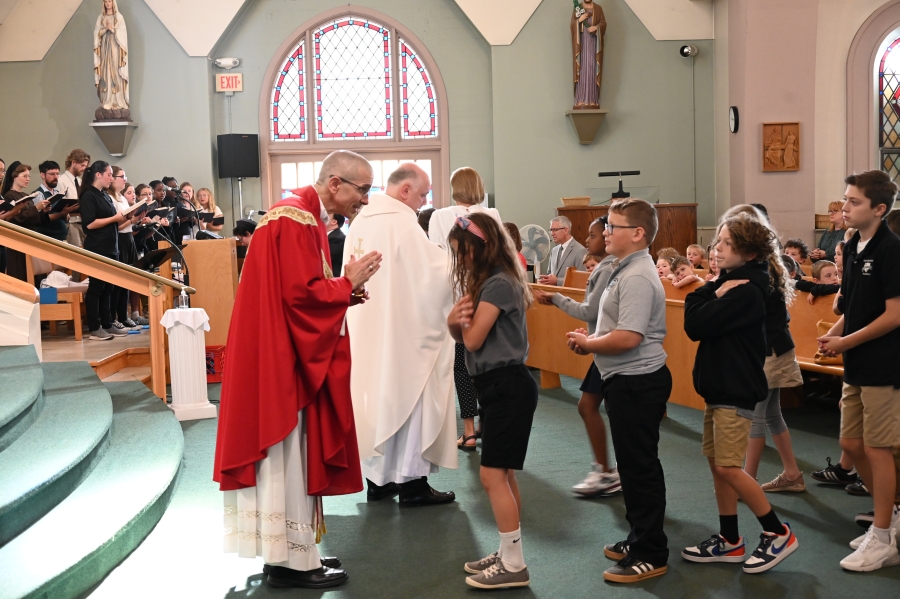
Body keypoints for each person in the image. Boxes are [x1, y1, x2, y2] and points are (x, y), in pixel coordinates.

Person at [214, 149, 382, 590]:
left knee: (287, 458)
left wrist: (343, 293)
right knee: (286, 453)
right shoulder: (296, 219)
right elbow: (300, 296)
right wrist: (347, 284)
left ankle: (285, 553)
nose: (364, 200)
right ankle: (292, 562)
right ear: (334, 183)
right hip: (283, 366)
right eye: (361, 189)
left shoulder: (298, 215)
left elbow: (302, 292)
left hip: (278, 354)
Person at [682, 211, 799, 574]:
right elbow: (701, 307)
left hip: (735, 389)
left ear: (748, 253)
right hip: (719, 386)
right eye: (717, 241)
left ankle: (777, 532)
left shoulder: (748, 289)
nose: (716, 248)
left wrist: (710, 290)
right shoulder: (732, 280)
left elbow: (694, 323)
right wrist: (715, 287)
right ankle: (730, 540)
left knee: (730, 468)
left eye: (725, 243)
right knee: (718, 466)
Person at [566, 199, 672, 583]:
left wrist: (591, 344)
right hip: (624, 379)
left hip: (638, 380)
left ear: (638, 234)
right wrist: (591, 337)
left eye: (613, 226)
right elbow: (611, 323)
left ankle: (651, 552)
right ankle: (639, 535)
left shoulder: (638, 275)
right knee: (631, 465)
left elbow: (628, 337)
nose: (606, 232)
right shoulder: (622, 268)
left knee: (639, 468)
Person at [344, 163, 457, 506]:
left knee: (377, 399)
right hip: (405, 332)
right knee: (412, 397)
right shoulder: (402, 222)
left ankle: (378, 481)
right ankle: (412, 483)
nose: (423, 203)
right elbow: (434, 274)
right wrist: (457, 260)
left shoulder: (361, 220)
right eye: (423, 194)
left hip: (367, 327)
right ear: (405, 190)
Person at [446, 212, 537, 590]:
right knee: (503, 473)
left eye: (463, 252)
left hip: (507, 386)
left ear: (481, 247)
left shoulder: (499, 283)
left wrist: (458, 322)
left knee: (491, 475)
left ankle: (514, 563)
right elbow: (460, 334)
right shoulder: (490, 281)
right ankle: (508, 551)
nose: (461, 260)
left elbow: (471, 340)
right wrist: (455, 321)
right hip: (497, 386)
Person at [818, 170, 900, 571]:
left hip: (885, 364)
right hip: (856, 361)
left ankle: (883, 537)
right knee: (851, 445)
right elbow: (850, 306)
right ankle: (894, 513)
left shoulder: (891, 249)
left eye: (853, 202)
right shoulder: (851, 245)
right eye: (845, 199)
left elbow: (895, 315)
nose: (844, 207)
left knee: (878, 448)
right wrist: (833, 334)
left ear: (879, 209)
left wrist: (845, 342)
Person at [722, 207, 805, 496]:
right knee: (771, 413)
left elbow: (766, 318)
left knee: (756, 415)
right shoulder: (767, 264)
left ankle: (748, 482)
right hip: (775, 346)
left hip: (768, 349)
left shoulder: (760, 271)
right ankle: (792, 474)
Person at [534, 217, 619, 497]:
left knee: (592, 407)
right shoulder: (607, 267)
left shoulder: (608, 268)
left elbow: (589, 311)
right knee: (588, 406)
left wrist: (556, 298)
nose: (589, 240)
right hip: (603, 345)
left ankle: (607, 471)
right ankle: (605, 469)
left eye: (594, 235)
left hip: (613, 350)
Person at [428, 167, 501, 450]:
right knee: (486, 361)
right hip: (487, 295)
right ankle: (487, 422)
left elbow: (436, 258)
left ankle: (469, 431)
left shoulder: (439, 216)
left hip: (456, 296)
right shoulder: (491, 215)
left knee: (461, 366)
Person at [80, 161, 130, 341]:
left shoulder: (105, 195)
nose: (111, 178)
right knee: (97, 287)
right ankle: (95, 327)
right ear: (98, 175)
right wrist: (115, 218)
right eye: (109, 174)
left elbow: (114, 222)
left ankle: (108, 323)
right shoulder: (88, 196)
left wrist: (130, 218)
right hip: (98, 247)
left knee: (109, 287)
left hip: (111, 246)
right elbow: (89, 224)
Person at [1, 163, 50, 281]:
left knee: (36, 275)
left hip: (30, 238)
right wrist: (36, 208)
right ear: (14, 177)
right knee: (21, 274)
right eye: (24, 176)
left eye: (29, 176)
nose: (28, 179)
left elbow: (33, 219)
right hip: (18, 241)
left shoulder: (25, 195)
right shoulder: (9, 196)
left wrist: (43, 212)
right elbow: (15, 220)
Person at [108, 169, 141, 330]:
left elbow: (128, 221)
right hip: (119, 239)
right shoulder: (110, 198)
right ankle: (115, 316)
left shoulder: (121, 197)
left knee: (128, 280)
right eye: (122, 177)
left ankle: (124, 315)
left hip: (129, 239)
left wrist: (136, 219)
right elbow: (117, 225)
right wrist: (132, 219)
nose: (125, 179)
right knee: (119, 281)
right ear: (112, 178)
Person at [33, 160, 74, 241]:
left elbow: (66, 219)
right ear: (42, 175)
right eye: (52, 174)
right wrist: (62, 213)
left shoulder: (58, 193)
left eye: (57, 174)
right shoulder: (38, 194)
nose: (56, 177)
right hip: (47, 238)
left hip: (61, 237)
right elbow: (40, 219)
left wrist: (66, 213)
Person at [56, 149, 91, 247]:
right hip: (71, 223)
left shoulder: (80, 181)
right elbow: (59, 205)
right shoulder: (61, 181)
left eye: (85, 166)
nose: (84, 169)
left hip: (83, 222)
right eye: (82, 165)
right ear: (74, 162)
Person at [540, 216, 587, 286]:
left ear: (566, 230)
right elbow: (549, 272)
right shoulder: (554, 250)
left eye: (555, 230)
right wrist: (546, 279)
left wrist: (557, 281)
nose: (552, 234)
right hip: (552, 294)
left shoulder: (580, 251)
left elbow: (581, 280)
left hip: (569, 295)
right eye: (551, 230)